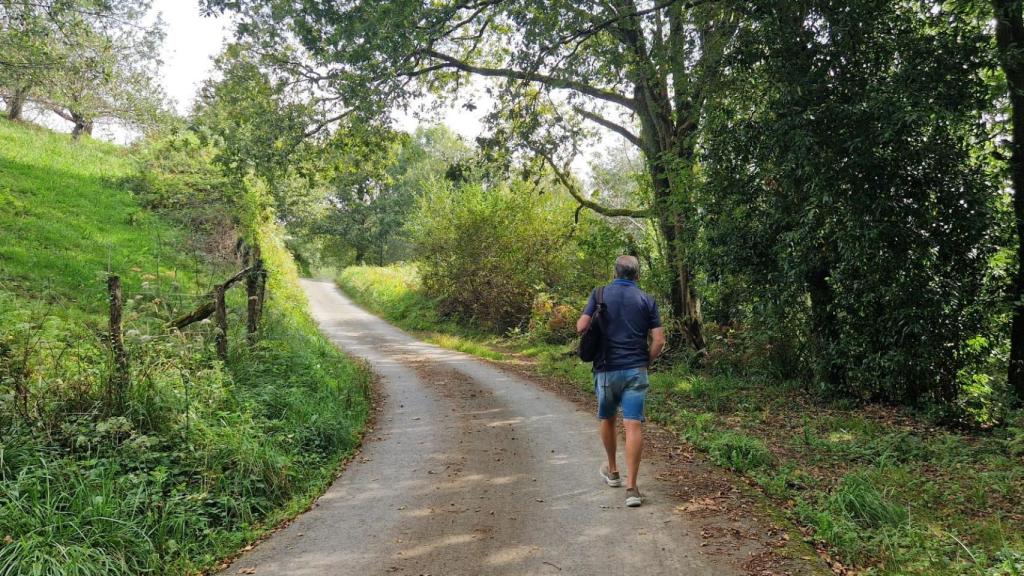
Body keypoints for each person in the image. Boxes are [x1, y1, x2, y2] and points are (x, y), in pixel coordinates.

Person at [576, 255, 665, 507]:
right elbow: (659, 340)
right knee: (633, 425)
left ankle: (613, 472)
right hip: (636, 370)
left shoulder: (600, 293)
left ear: (615, 273)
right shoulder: (647, 300)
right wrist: (645, 362)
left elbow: (581, 326)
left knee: (607, 418)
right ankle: (632, 488)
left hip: (606, 370)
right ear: (637, 275)